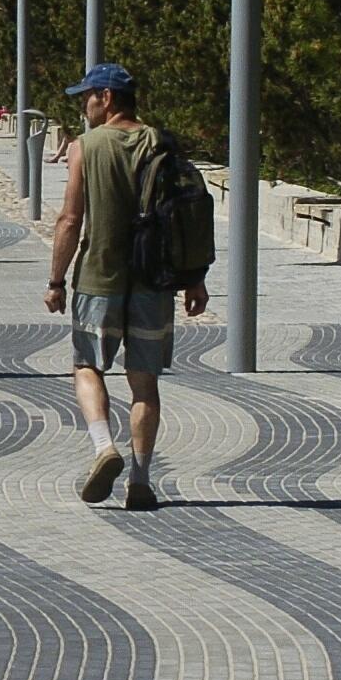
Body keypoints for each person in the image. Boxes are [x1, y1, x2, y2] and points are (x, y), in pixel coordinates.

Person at [47, 63, 209, 512]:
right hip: (154, 280)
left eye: (87, 96)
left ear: (108, 98)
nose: (83, 105)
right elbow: (187, 212)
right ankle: (140, 479)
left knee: (86, 366)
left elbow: (69, 218)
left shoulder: (86, 147)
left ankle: (104, 447)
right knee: (145, 384)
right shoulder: (162, 142)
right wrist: (194, 278)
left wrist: (56, 280)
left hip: (99, 276)